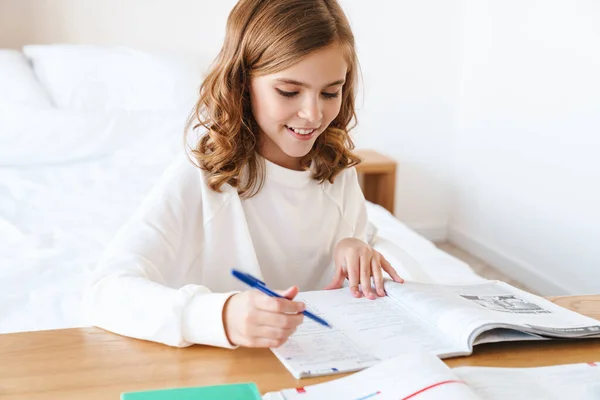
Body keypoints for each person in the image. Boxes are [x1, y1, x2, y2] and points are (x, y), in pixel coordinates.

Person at [84, 0, 403, 350]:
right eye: (289, 91)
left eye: (330, 92)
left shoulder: (336, 173)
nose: (313, 114)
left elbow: (348, 251)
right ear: (242, 82)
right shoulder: (205, 178)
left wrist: (353, 246)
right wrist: (219, 316)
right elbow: (105, 290)